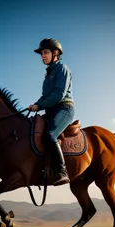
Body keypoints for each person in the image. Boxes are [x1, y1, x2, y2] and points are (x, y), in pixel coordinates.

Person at [29, 38, 75, 186]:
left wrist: (39, 106)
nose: (43, 56)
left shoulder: (62, 69)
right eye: (42, 53)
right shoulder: (48, 75)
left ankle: (62, 171)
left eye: (46, 52)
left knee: (49, 135)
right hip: (51, 110)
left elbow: (58, 95)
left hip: (64, 108)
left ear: (55, 53)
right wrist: (35, 104)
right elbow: (45, 96)